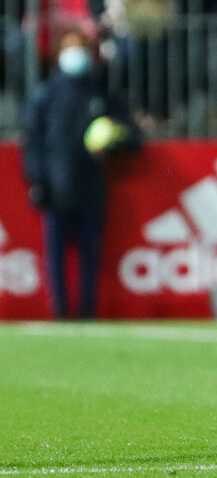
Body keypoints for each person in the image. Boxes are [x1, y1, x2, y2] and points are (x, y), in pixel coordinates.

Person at [21, 31, 141, 319]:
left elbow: (133, 137)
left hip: (91, 186)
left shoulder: (100, 94)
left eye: (81, 48)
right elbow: (33, 142)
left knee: (91, 255)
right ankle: (60, 310)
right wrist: (37, 181)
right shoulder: (45, 95)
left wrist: (114, 141)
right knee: (56, 256)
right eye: (70, 47)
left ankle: (89, 310)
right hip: (55, 186)